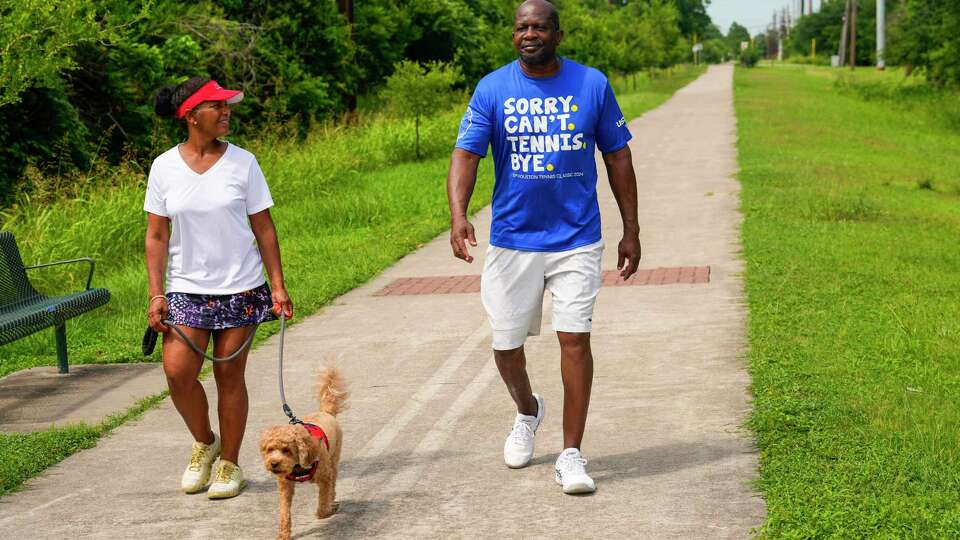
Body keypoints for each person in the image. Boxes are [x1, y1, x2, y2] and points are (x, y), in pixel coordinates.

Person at [447, 0, 640, 494]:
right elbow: (467, 153)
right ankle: (528, 411)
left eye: (538, 27)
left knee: (574, 338)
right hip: (513, 238)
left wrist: (631, 229)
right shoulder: (493, 87)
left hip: (577, 237)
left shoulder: (591, 84)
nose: (528, 34)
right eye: (521, 27)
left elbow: (617, 157)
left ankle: (571, 454)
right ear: (514, 36)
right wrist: (458, 215)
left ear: (558, 34)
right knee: (506, 345)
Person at [145, 77, 293, 499]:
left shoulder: (243, 162)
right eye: (217, 106)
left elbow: (263, 227)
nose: (227, 112)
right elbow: (156, 236)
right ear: (192, 115)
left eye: (228, 106)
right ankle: (205, 441)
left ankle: (229, 463)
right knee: (177, 373)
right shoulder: (164, 167)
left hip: (242, 287)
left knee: (230, 375)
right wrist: (157, 293)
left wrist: (278, 286)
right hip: (186, 289)